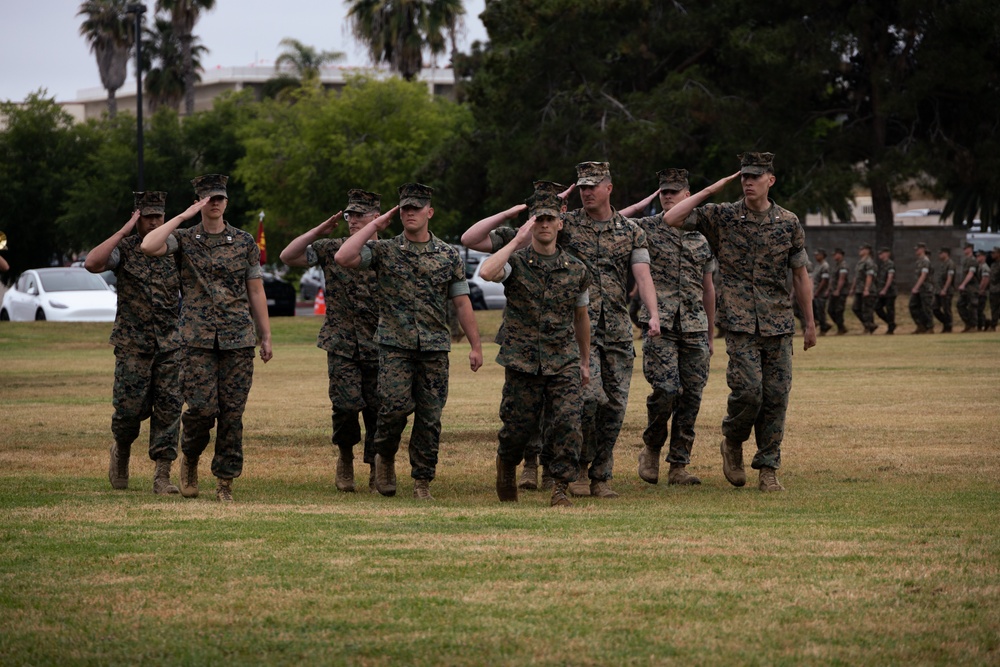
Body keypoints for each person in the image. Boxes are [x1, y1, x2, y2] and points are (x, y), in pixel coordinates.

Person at [465, 163, 661, 499]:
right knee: (584, 402)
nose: (587, 191)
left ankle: (597, 477)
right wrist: (523, 215)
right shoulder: (559, 223)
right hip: (565, 333)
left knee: (612, 408)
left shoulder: (630, 231)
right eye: (582, 186)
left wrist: (653, 314)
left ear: (609, 187)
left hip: (612, 328)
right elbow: (473, 240)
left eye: (593, 186)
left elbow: (642, 275)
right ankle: (574, 471)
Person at [658, 152, 816, 492]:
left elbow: (801, 275)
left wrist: (810, 322)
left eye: (755, 176)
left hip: (778, 322)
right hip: (740, 322)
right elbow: (670, 218)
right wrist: (710, 190)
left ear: (770, 180)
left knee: (776, 397)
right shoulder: (723, 216)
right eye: (744, 176)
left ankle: (768, 468)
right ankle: (732, 439)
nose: (747, 181)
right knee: (748, 392)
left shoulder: (788, 222)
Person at [335, 183, 483, 500]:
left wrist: (475, 345)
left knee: (430, 418)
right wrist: (375, 224)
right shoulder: (385, 250)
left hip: (434, 348)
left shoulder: (447, 255)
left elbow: (461, 302)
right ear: (398, 213)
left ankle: (422, 481)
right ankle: (384, 457)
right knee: (393, 409)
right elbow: (344, 256)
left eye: (416, 208)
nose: (410, 213)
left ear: (429, 212)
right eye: (405, 208)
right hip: (394, 346)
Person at [140, 174, 273, 502]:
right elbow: (148, 245)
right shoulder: (184, 239)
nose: (214, 203)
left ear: (227, 202)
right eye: (208, 198)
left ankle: (225, 481)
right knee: (200, 409)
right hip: (197, 339)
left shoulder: (243, 242)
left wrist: (265, 335)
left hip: (238, 339)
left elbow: (255, 289)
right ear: (198, 201)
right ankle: (190, 458)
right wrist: (183, 216)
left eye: (219, 198)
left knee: (232, 413)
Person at [480, 184, 592, 506]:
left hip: (563, 359)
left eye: (549, 219)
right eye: (538, 219)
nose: (544, 224)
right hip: (523, 360)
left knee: (569, 422)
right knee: (517, 428)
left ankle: (559, 487)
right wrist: (517, 239)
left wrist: (584, 362)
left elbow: (581, 317)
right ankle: (506, 466)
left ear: (560, 223)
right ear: (531, 222)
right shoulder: (516, 262)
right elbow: (487, 272)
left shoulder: (577, 270)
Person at [279, 189, 382, 492]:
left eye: (360, 214)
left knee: (379, 409)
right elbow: (288, 256)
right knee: (345, 406)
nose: (352, 220)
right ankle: (346, 457)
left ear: (376, 218)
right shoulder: (329, 248)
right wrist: (318, 230)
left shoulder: (388, 251)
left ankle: (377, 466)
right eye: (350, 214)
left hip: (380, 343)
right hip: (341, 342)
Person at [84, 191, 183, 494]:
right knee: (128, 411)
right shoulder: (124, 249)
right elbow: (92, 263)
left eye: (159, 217)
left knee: (169, 409)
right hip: (133, 344)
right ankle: (121, 451)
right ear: (138, 216)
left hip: (170, 343)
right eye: (148, 217)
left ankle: (162, 476)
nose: (154, 222)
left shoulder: (174, 247)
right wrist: (125, 229)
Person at [625, 168, 715, 486]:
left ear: (688, 196)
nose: (667, 196)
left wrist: (710, 332)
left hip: (693, 326)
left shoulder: (701, 237)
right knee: (665, 390)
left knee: (691, 396)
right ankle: (651, 446)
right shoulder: (644, 229)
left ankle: (678, 465)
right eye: (663, 191)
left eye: (674, 192)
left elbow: (708, 289)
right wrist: (641, 203)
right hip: (659, 325)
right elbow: (606, 225)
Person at [849, 243, 878, 333]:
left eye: (862, 249)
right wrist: (853, 288)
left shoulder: (869, 262)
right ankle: (870, 325)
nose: (860, 251)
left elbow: (869, 276)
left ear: (867, 251)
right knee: (855, 308)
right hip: (859, 289)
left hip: (867, 290)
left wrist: (866, 289)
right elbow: (856, 276)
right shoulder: (860, 262)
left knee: (867, 310)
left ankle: (869, 328)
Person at [909, 242, 935, 334]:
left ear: (923, 249)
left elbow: (923, 275)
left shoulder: (925, 261)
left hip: (926, 288)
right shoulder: (919, 261)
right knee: (913, 306)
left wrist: (916, 287)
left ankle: (930, 327)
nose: (916, 251)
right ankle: (921, 325)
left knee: (926, 308)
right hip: (920, 289)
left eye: (918, 249)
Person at [956, 243, 979, 332]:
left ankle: (973, 326)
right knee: (960, 305)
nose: (964, 250)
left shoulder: (973, 260)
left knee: (972, 306)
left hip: (972, 287)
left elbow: (971, 273)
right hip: (966, 288)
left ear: (970, 249)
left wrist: (963, 284)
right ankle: (968, 324)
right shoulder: (965, 260)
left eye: (966, 248)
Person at [933, 246, 956, 333]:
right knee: (935, 308)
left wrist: (945, 289)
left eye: (941, 253)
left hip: (946, 291)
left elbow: (949, 278)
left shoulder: (950, 264)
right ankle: (946, 323)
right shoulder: (943, 264)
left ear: (946, 254)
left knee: (947, 309)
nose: (939, 255)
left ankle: (948, 327)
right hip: (939, 290)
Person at [874, 247, 897, 334]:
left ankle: (891, 328)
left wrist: (885, 289)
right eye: (879, 254)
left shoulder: (890, 264)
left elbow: (890, 277)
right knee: (877, 307)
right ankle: (891, 323)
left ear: (887, 253)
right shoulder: (883, 264)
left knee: (890, 309)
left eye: (882, 253)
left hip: (890, 291)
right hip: (883, 291)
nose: (880, 255)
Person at [827, 248, 849, 335]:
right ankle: (842, 327)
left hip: (841, 292)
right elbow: (833, 279)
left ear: (840, 254)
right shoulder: (836, 265)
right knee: (830, 310)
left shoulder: (843, 265)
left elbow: (842, 279)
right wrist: (830, 289)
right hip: (834, 291)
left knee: (839, 310)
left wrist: (838, 290)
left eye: (835, 254)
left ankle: (841, 328)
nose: (833, 256)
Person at [811, 248, 832, 336]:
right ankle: (825, 325)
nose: (816, 256)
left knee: (821, 311)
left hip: (821, 293)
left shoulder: (825, 266)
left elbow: (824, 280)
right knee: (815, 311)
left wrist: (818, 292)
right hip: (815, 291)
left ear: (822, 255)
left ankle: (824, 329)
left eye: (817, 255)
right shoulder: (818, 265)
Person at [975, 250, 991, 330]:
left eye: (979, 256)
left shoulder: (985, 267)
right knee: (978, 309)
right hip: (980, 290)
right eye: (977, 256)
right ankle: (983, 323)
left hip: (983, 292)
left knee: (979, 309)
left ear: (984, 257)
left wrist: (981, 289)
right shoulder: (979, 266)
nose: (977, 258)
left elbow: (985, 279)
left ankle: (983, 323)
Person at [988, 246, 1000, 332]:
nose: (992, 254)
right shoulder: (993, 264)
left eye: (994, 253)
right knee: (994, 308)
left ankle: (993, 325)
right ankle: (993, 325)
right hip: (993, 289)